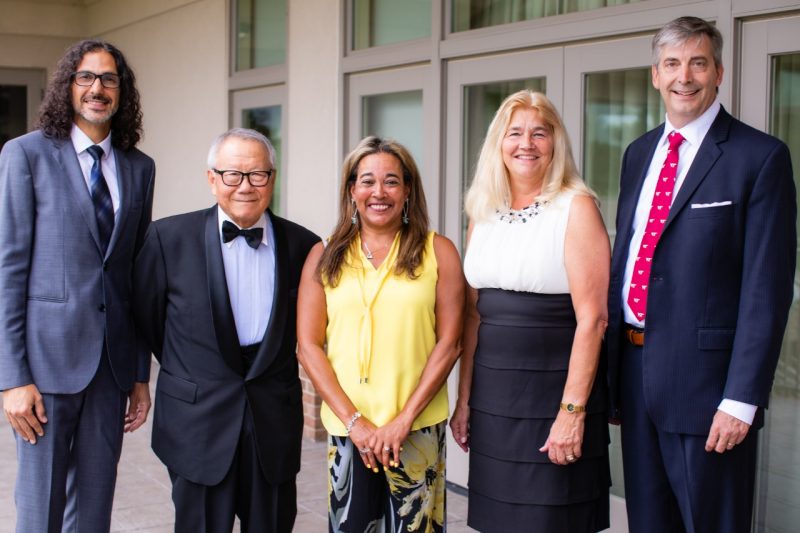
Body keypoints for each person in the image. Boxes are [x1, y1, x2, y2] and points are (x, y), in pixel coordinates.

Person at [607, 16, 796, 532]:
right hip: (635, 375)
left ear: (719, 72)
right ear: (654, 74)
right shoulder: (638, 153)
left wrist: (741, 400)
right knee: (649, 522)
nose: (683, 76)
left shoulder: (759, 157)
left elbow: (767, 290)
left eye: (697, 62)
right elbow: (628, 258)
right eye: (671, 64)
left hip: (708, 391)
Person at [0, 40, 154, 532]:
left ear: (121, 91)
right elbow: (9, 269)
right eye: (86, 77)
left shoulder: (138, 167)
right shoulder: (25, 155)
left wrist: (139, 373)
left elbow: (133, 274)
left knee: (93, 510)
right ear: (68, 86)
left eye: (109, 79)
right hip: (44, 370)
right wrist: (12, 378)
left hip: (110, 370)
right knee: (40, 508)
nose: (97, 88)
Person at [132, 128, 319, 532]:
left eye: (258, 175)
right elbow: (147, 321)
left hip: (272, 422)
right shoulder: (167, 238)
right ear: (212, 178)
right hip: (197, 421)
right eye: (233, 174)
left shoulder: (305, 246)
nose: (245, 187)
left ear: (272, 178)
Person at [450, 90, 611, 532]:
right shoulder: (482, 211)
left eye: (540, 133)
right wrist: (464, 400)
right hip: (495, 399)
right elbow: (473, 314)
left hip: (554, 397)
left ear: (556, 143)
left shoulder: (576, 207)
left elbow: (593, 319)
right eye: (515, 132)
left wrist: (571, 413)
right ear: (497, 144)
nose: (527, 143)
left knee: (551, 521)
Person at [296, 136, 464, 532]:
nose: (379, 192)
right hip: (349, 429)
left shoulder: (438, 251)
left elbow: (450, 343)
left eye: (391, 181)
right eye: (367, 180)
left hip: (416, 428)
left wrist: (403, 420)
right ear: (352, 189)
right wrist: (356, 423)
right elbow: (308, 346)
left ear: (408, 190)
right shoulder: (324, 255)